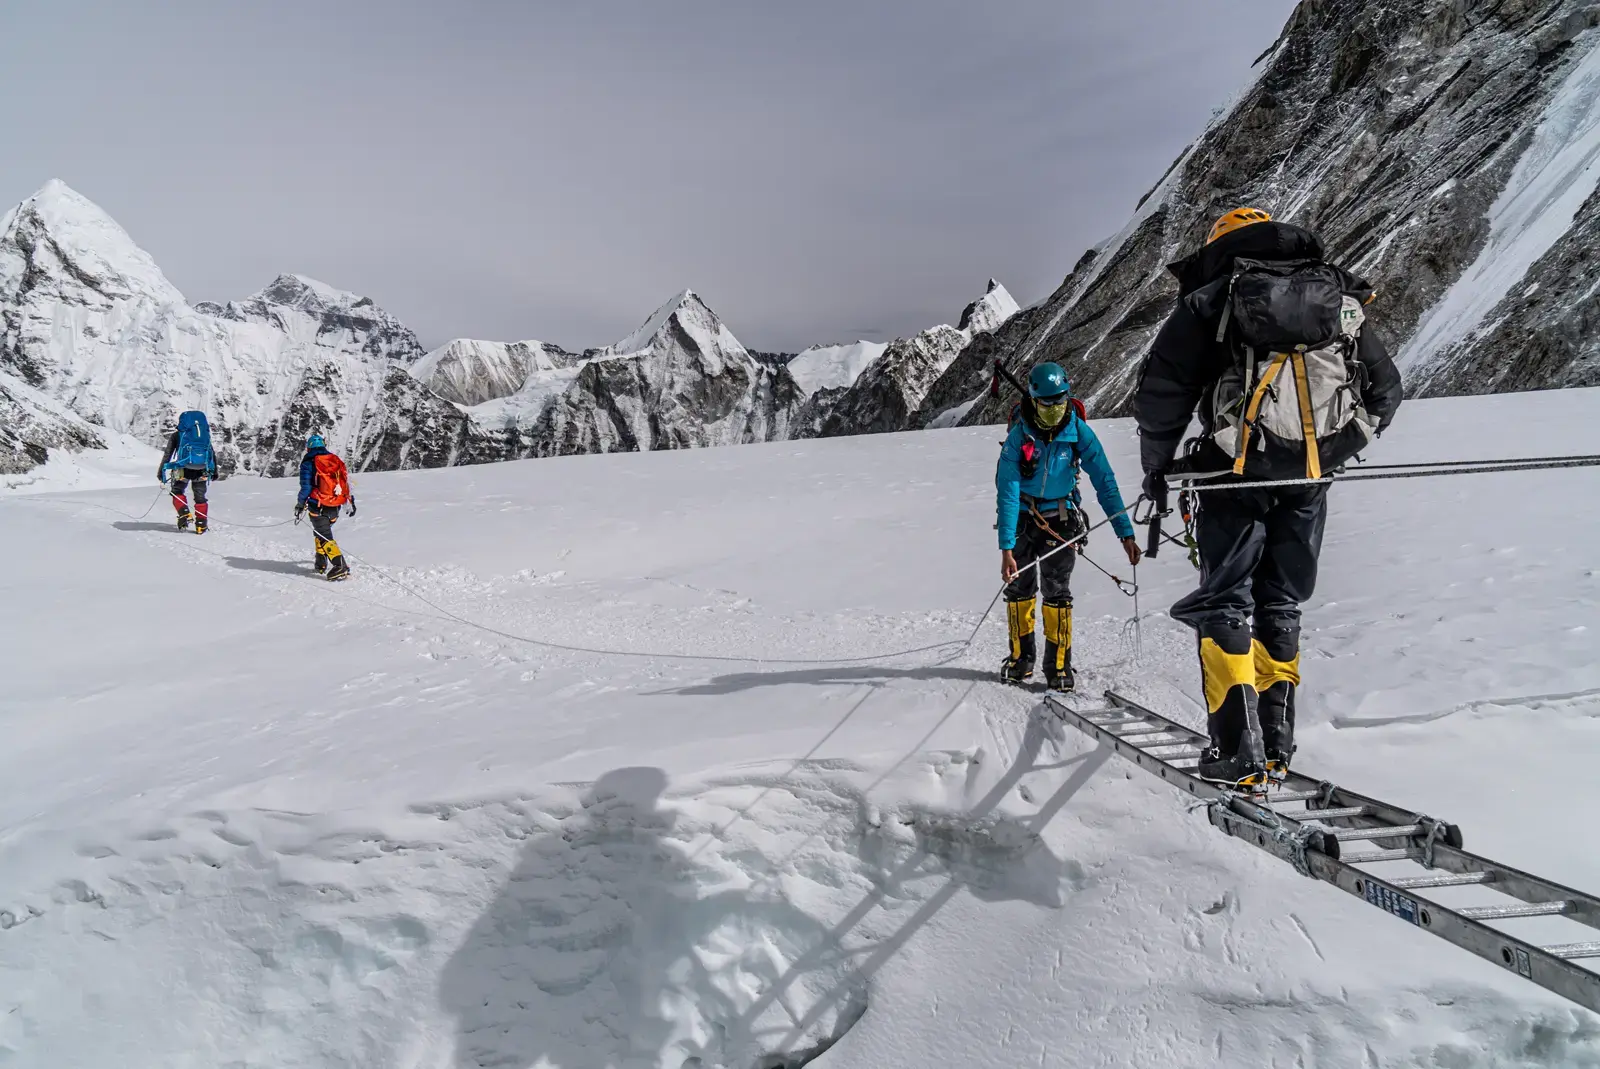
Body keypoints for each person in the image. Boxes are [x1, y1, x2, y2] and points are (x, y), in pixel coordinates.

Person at [1134, 207, 1403, 787]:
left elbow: (1162, 394)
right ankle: (1277, 745)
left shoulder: (1211, 300)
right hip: (1309, 476)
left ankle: (1235, 749)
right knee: (1281, 603)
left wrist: (1157, 468)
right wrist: (1335, 448)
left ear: (1220, 248)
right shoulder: (1335, 296)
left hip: (1234, 473)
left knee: (1226, 601)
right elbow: (1387, 388)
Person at [996, 362, 1141, 692]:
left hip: (1060, 520)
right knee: (1019, 589)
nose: (1054, 407)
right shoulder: (1018, 438)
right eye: (1047, 402)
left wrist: (1125, 532)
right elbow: (1007, 491)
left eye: (1060, 400)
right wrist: (1006, 549)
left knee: (1056, 590)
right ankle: (1021, 659)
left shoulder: (1079, 433)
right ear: (1033, 400)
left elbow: (1105, 481)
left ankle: (1058, 665)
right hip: (1022, 518)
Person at [294, 433, 356, 581]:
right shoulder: (335, 460)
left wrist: (300, 504)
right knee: (321, 532)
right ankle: (320, 563)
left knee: (324, 536)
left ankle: (339, 565)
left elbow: (306, 487)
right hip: (336, 505)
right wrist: (350, 501)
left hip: (318, 505)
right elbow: (345, 482)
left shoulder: (308, 463)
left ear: (308, 448)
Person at [158, 410, 218, 533]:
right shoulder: (203, 435)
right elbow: (211, 452)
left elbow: (168, 454)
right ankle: (201, 525)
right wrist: (214, 469)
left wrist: (161, 471)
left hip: (182, 468)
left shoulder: (177, 435)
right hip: (202, 469)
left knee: (177, 491)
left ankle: (184, 513)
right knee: (200, 497)